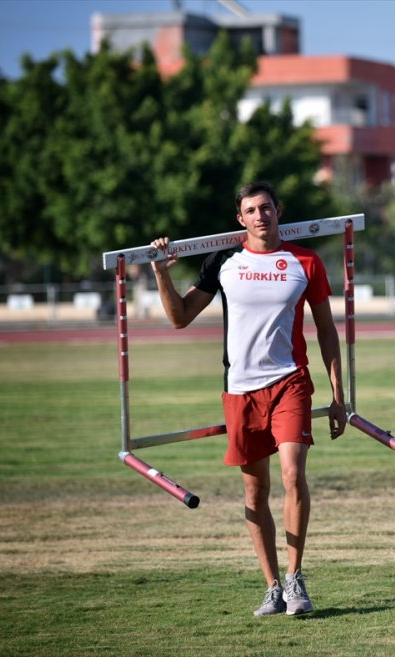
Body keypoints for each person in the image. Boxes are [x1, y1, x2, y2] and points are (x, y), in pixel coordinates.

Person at [150, 181, 346, 617]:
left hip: (290, 382)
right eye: (251, 210)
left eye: (267, 208)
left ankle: (296, 580)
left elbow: (328, 330)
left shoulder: (306, 262)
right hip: (240, 390)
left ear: (280, 211)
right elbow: (180, 317)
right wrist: (162, 271)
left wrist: (338, 393)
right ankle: (272, 587)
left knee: (294, 475)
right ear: (240, 219)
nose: (261, 216)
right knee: (255, 493)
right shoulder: (223, 260)